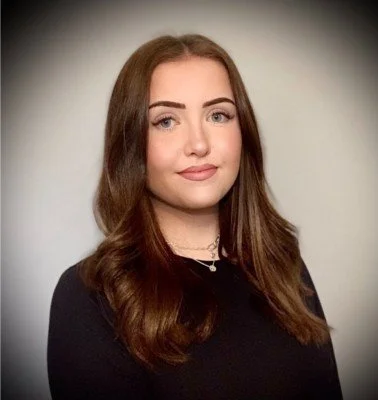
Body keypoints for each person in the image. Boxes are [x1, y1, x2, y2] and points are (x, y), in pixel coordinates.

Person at [47, 33, 343, 399]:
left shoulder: (281, 264)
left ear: (243, 132)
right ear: (131, 143)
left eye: (218, 115)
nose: (199, 144)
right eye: (166, 121)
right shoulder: (90, 297)